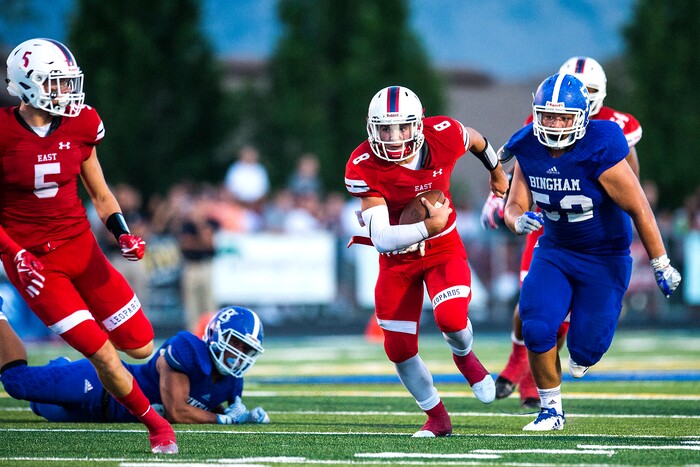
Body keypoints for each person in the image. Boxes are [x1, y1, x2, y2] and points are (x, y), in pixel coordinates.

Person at [0, 38, 177, 453]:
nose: (67, 93)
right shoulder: (3, 132)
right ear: (27, 85)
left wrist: (123, 233)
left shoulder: (82, 122)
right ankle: (156, 426)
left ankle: (73, 368)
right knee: (103, 355)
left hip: (82, 249)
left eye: (68, 82)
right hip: (37, 265)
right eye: (57, 84)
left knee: (140, 345)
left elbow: (99, 193)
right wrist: (14, 253)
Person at [502, 73, 681, 431]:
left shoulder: (601, 145)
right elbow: (514, 202)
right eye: (547, 115)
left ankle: (585, 351)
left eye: (563, 117)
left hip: (604, 258)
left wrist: (661, 262)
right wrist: (516, 219)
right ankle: (551, 411)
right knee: (537, 325)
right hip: (555, 250)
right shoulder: (527, 146)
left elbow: (640, 207)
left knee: (586, 349)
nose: (553, 124)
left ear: (582, 118)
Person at [344, 85, 509, 437]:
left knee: (451, 317)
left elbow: (477, 140)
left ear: (418, 125)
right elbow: (381, 238)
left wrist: (495, 171)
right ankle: (437, 417)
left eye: (402, 127)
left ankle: (465, 357)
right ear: (372, 127)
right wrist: (426, 224)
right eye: (384, 128)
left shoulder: (444, 135)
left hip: (441, 247)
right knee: (398, 348)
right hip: (397, 259)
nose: (393, 136)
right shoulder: (363, 165)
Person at [480, 57, 644, 409]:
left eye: (592, 91)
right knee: (533, 303)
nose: (584, 95)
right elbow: (516, 167)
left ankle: (531, 375)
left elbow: (633, 184)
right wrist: (498, 202)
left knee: (572, 320)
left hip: (595, 233)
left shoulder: (616, 128)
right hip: (548, 224)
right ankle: (521, 371)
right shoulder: (546, 118)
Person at [0, 305, 269, 425]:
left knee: (39, 407)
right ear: (216, 334)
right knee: (17, 383)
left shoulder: (232, 381)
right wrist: (223, 420)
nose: (240, 354)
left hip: (101, 418)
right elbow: (177, 411)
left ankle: (60, 365)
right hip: (99, 386)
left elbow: (214, 406)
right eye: (237, 343)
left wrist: (245, 417)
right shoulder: (188, 350)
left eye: (249, 350)